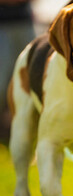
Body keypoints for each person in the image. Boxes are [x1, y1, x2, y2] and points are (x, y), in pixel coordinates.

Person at [0, 0, 35, 144]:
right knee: (1, 85)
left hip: (25, 23)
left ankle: (30, 138)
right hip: (2, 25)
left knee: (32, 82)